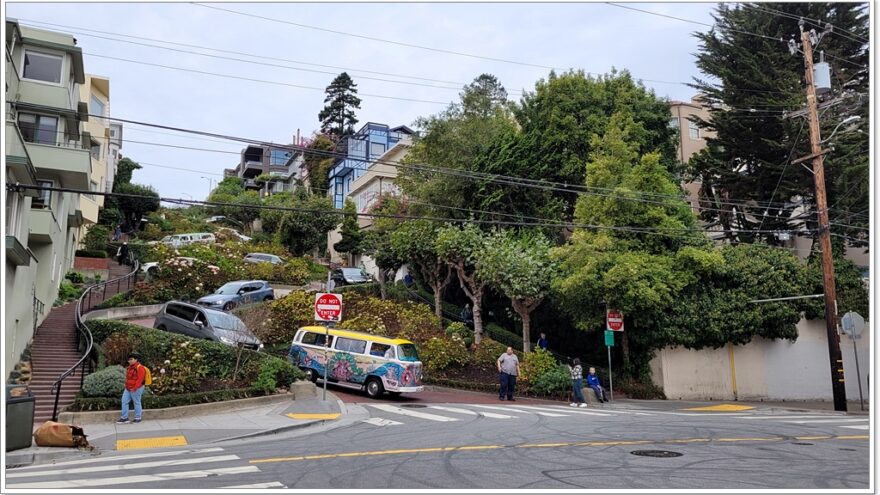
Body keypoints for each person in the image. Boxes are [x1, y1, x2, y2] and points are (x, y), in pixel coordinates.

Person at [117, 353, 147, 424]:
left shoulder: (140, 368)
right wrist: (127, 386)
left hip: (136, 388)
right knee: (124, 401)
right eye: (129, 360)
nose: (129, 361)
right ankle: (124, 418)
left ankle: (138, 418)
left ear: (136, 360)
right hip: (128, 388)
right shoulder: (130, 367)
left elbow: (140, 379)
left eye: (131, 359)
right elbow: (128, 378)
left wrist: (135, 388)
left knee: (136, 402)